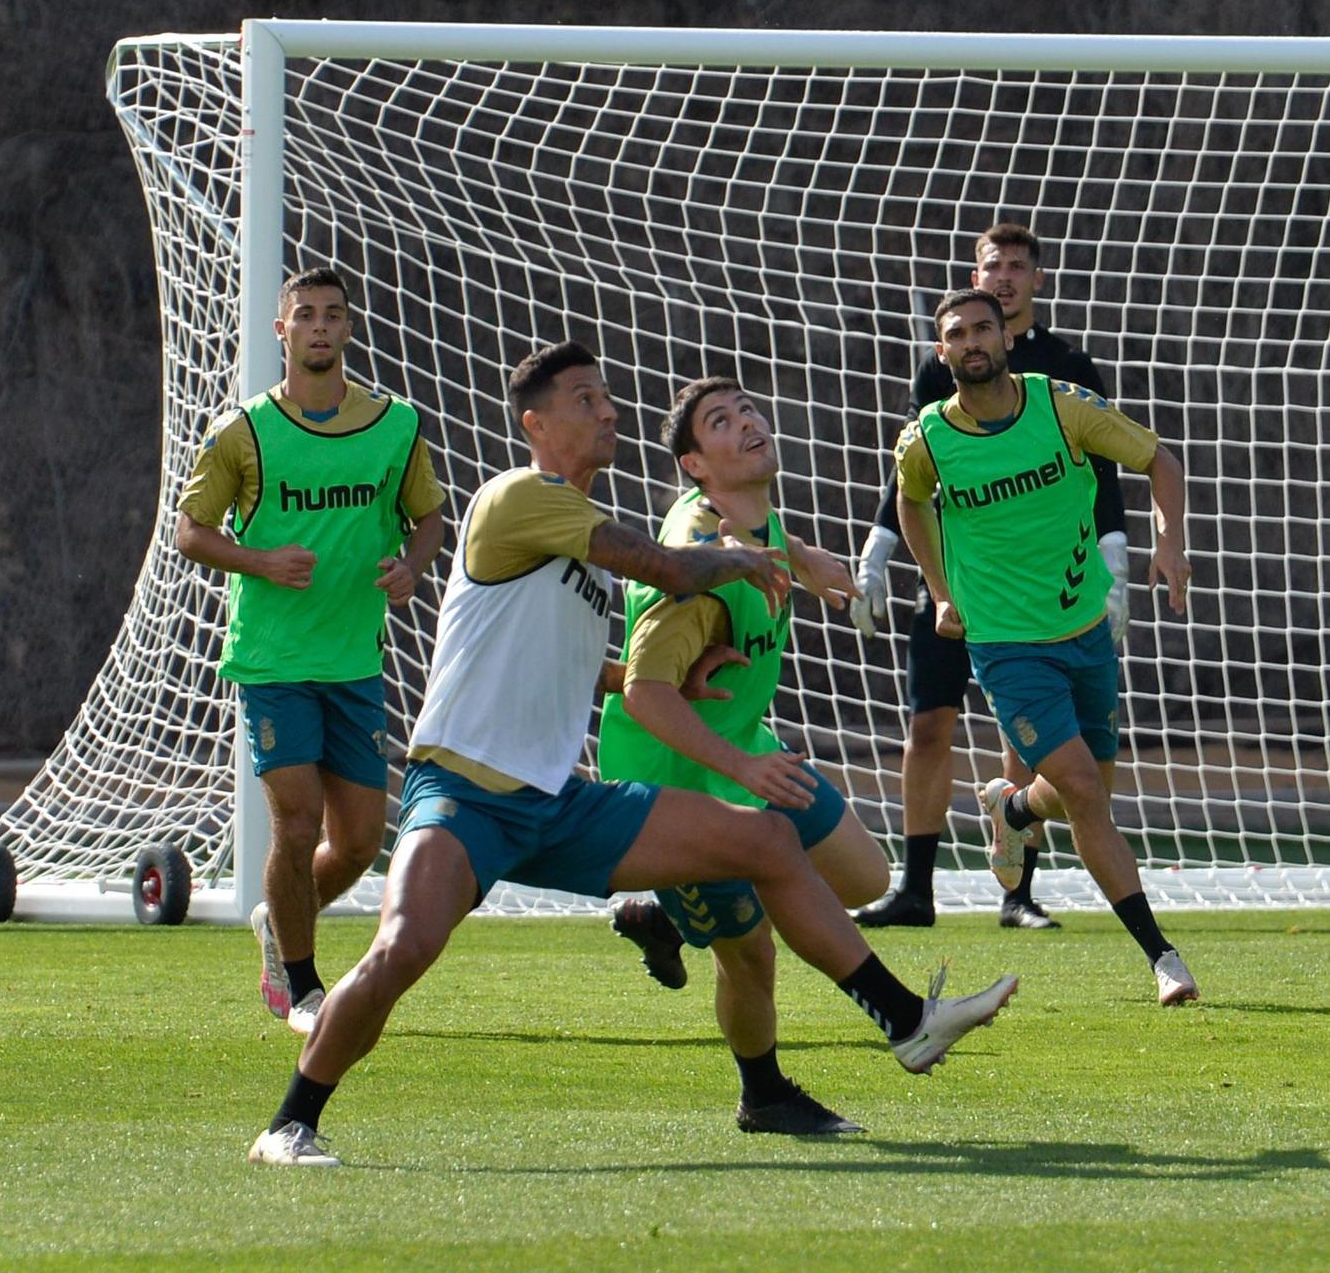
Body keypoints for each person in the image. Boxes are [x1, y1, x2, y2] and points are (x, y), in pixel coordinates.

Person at [247, 340, 1018, 1166]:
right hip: (465, 794)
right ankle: (290, 1123)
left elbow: (571, 660)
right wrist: (747, 557)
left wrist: (652, 682)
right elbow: (665, 563)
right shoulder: (519, 497)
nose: (606, 410)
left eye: (606, 397)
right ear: (535, 422)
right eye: (585, 400)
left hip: (556, 801)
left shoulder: (581, 553)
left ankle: (905, 1022)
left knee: (764, 839)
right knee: (402, 950)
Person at [598, 376, 892, 1137]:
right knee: (750, 951)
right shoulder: (690, 560)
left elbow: (767, 537)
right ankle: (762, 1095)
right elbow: (643, 693)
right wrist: (732, 771)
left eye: (749, 410)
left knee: (865, 876)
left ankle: (664, 917)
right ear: (695, 466)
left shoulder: (753, 512)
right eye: (721, 423)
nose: (748, 423)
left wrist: (809, 558)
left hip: (746, 748)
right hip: (676, 771)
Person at [890, 289, 1198, 1006]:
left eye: (982, 329)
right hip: (1004, 645)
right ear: (942, 353)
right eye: (955, 334)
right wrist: (939, 591)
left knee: (1080, 792)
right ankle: (1163, 958)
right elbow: (909, 501)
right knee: (1089, 796)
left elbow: (1160, 460)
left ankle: (1016, 811)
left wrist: (1168, 541)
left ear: (1005, 338)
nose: (970, 342)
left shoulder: (1062, 407)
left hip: (1085, 629)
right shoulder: (927, 439)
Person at [176, 266, 446, 1034]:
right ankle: (301, 985)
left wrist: (412, 567)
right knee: (296, 824)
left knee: (359, 841)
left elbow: (427, 516)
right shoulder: (244, 431)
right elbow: (189, 532)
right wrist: (260, 562)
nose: (319, 327)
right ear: (281, 331)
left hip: (355, 660)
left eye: (333, 315)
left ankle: (279, 920)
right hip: (273, 661)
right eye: (305, 316)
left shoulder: (396, 424)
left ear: (349, 328)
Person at [853, 222, 1131, 931]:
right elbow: (913, 475)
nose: (1002, 276)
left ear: (1036, 279)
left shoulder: (1064, 366)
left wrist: (1114, 554)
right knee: (927, 725)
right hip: (952, 583)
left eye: (1015, 265)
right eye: (990, 266)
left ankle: (1017, 893)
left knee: (1021, 739)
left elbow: (1100, 464)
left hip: (1041, 591)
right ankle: (916, 889)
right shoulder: (942, 366)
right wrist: (879, 548)